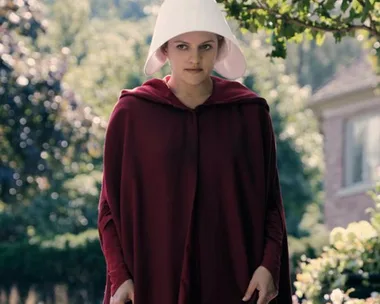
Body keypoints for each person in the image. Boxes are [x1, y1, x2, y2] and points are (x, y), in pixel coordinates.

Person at [97, 0, 293, 303]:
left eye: (205, 46)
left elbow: (271, 204)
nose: (194, 58)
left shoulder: (249, 113)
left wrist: (269, 265)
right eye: (182, 46)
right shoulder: (132, 114)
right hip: (153, 281)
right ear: (165, 50)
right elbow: (109, 209)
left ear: (220, 48)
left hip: (234, 281)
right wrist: (119, 276)